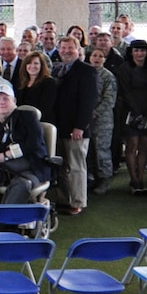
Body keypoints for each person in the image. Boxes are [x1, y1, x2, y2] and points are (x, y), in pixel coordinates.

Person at [0, 87, 50, 205]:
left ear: (14, 100)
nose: (1, 102)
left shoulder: (28, 116)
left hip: (29, 166)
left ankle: (5, 220)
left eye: (5, 99)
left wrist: (6, 155)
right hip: (0, 166)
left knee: (22, 184)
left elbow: (34, 143)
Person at [51, 36, 98, 215]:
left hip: (76, 129)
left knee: (76, 166)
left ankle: (78, 201)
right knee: (62, 166)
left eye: (70, 48)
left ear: (78, 50)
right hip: (60, 127)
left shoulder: (87, 71)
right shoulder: (57, 70)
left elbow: (89, 102)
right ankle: (64, 198)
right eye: (63, 48)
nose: (66, 51)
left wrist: (79, 126)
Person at [115, 40, 147, 196]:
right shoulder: (124, 68)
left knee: (145, 146)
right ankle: (133, 180)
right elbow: (125, 92)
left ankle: (141, 179)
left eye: (143, 51)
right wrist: (137, 111)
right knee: (132, 145)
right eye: (136, 51)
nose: (140, 54)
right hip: (130, 112)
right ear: (131, 52)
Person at [85, 46, 119, 196]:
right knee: (89, 149)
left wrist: (95, 112)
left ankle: (104, 179)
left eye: (100, 56)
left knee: (102, 149)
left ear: (104, 59)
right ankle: (92, 177)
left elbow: (109, 100)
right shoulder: (86, 74)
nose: (97, 58)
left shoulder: (108, 76)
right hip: (86, 119)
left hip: (102, 120)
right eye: (94, 56)